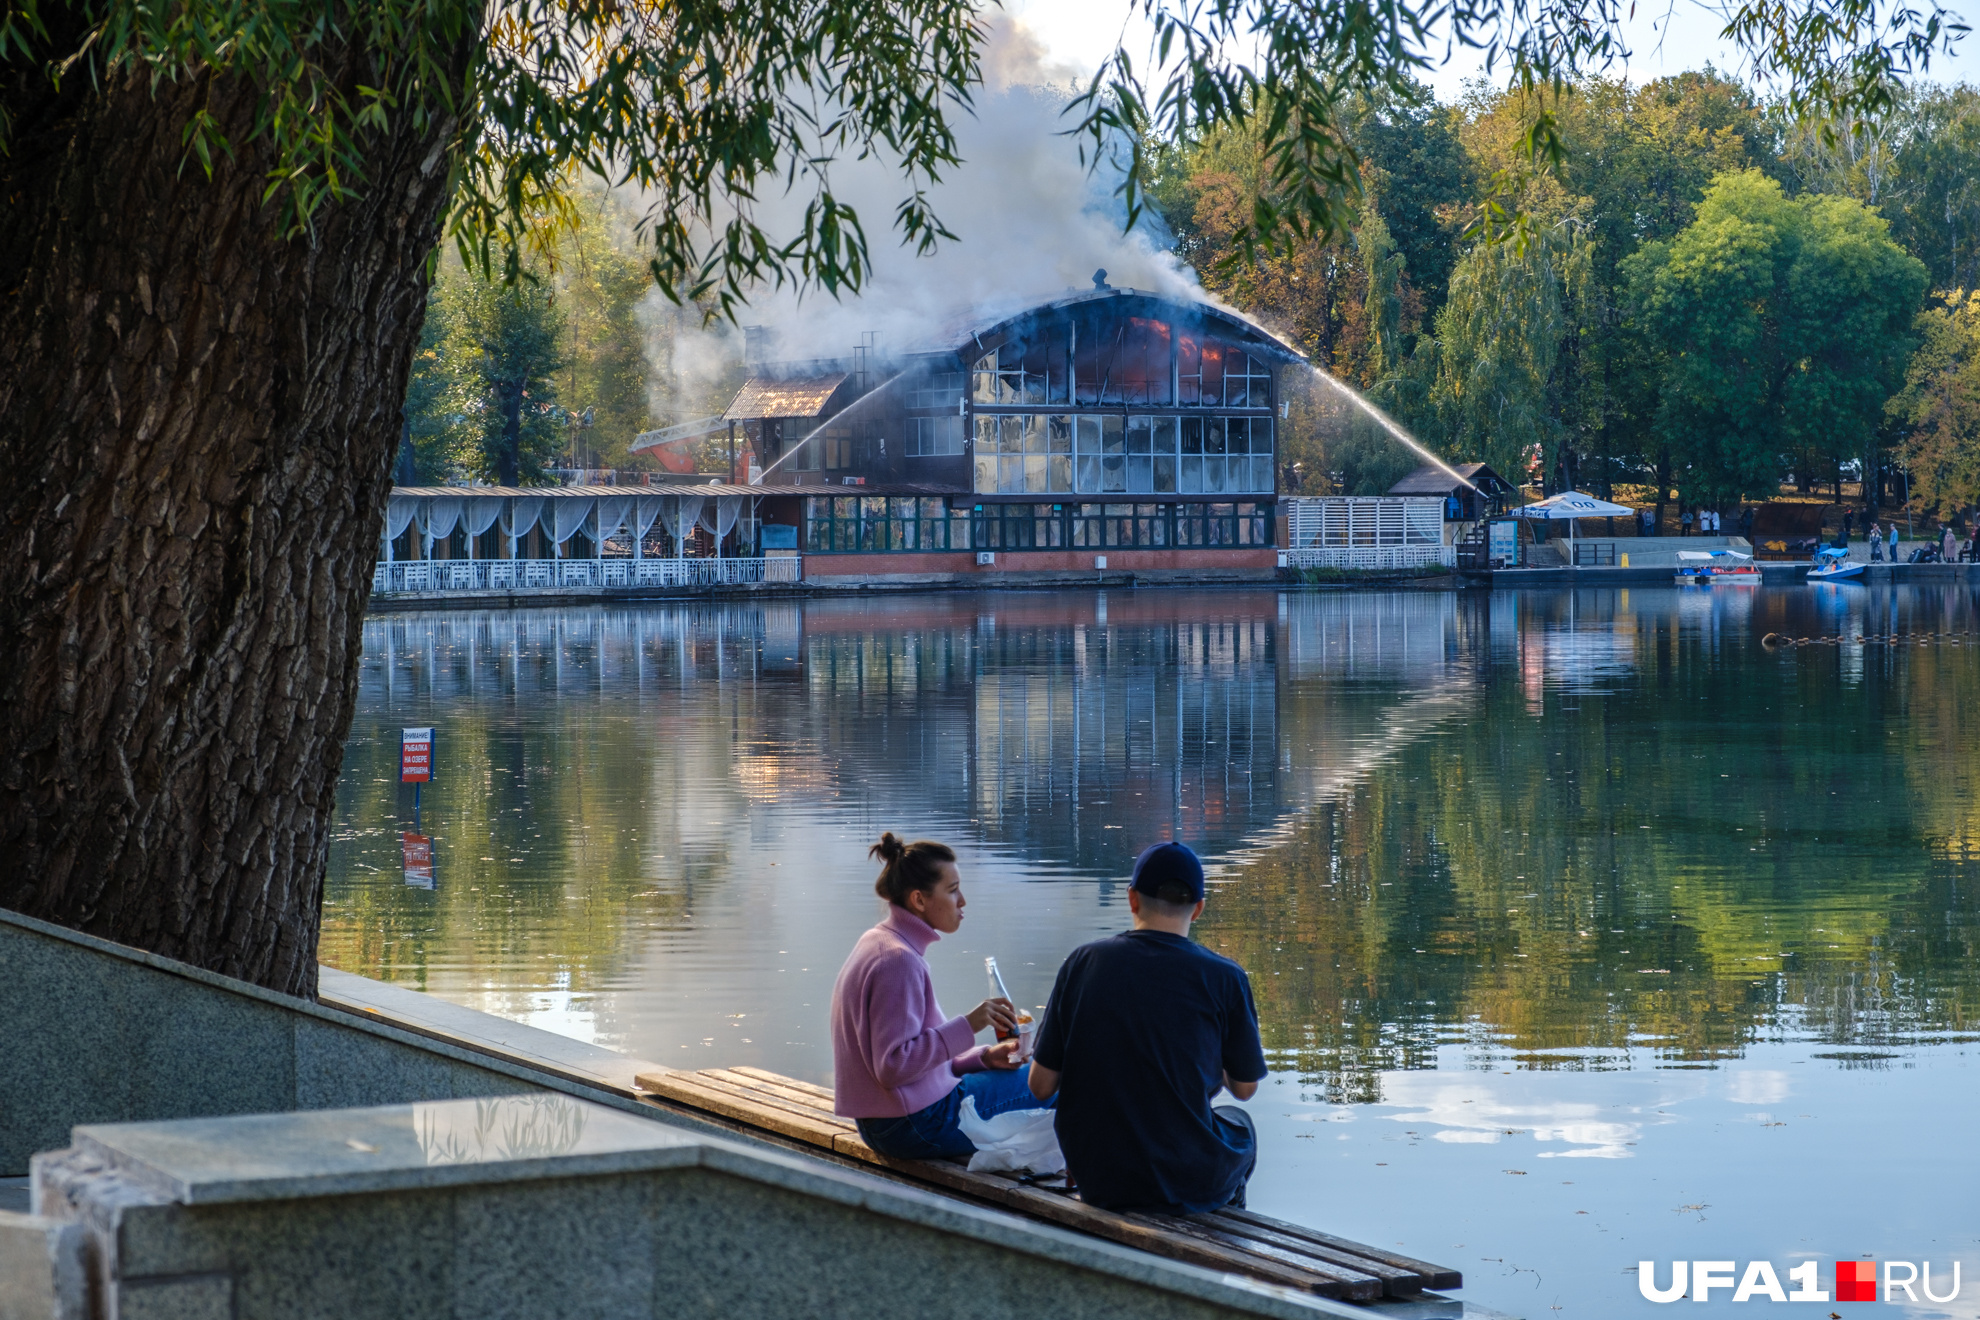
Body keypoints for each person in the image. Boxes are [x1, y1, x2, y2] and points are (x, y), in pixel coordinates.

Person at [1028, 842, 1267, 1214]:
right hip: (1184, 1176)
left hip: (1098, 1178)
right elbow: (1244, 1089)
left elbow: (1040, 1086)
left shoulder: (1084, 962)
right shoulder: (1225, 978)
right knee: (1240, 1124)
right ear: (1199, 909)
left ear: (1132, 899)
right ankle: (1223, 1218)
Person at [831, 833, 1050, 1158]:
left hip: (892, 1119)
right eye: (952, 890)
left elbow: (912, 1061)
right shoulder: (898, 961)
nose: (962, 901)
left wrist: (982, 1059)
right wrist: (970, 1024)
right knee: (1051, 1081)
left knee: (1031, 1077)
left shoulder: (880, 941)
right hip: (915, 1124)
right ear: (919, 900)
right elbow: (892, 1066)